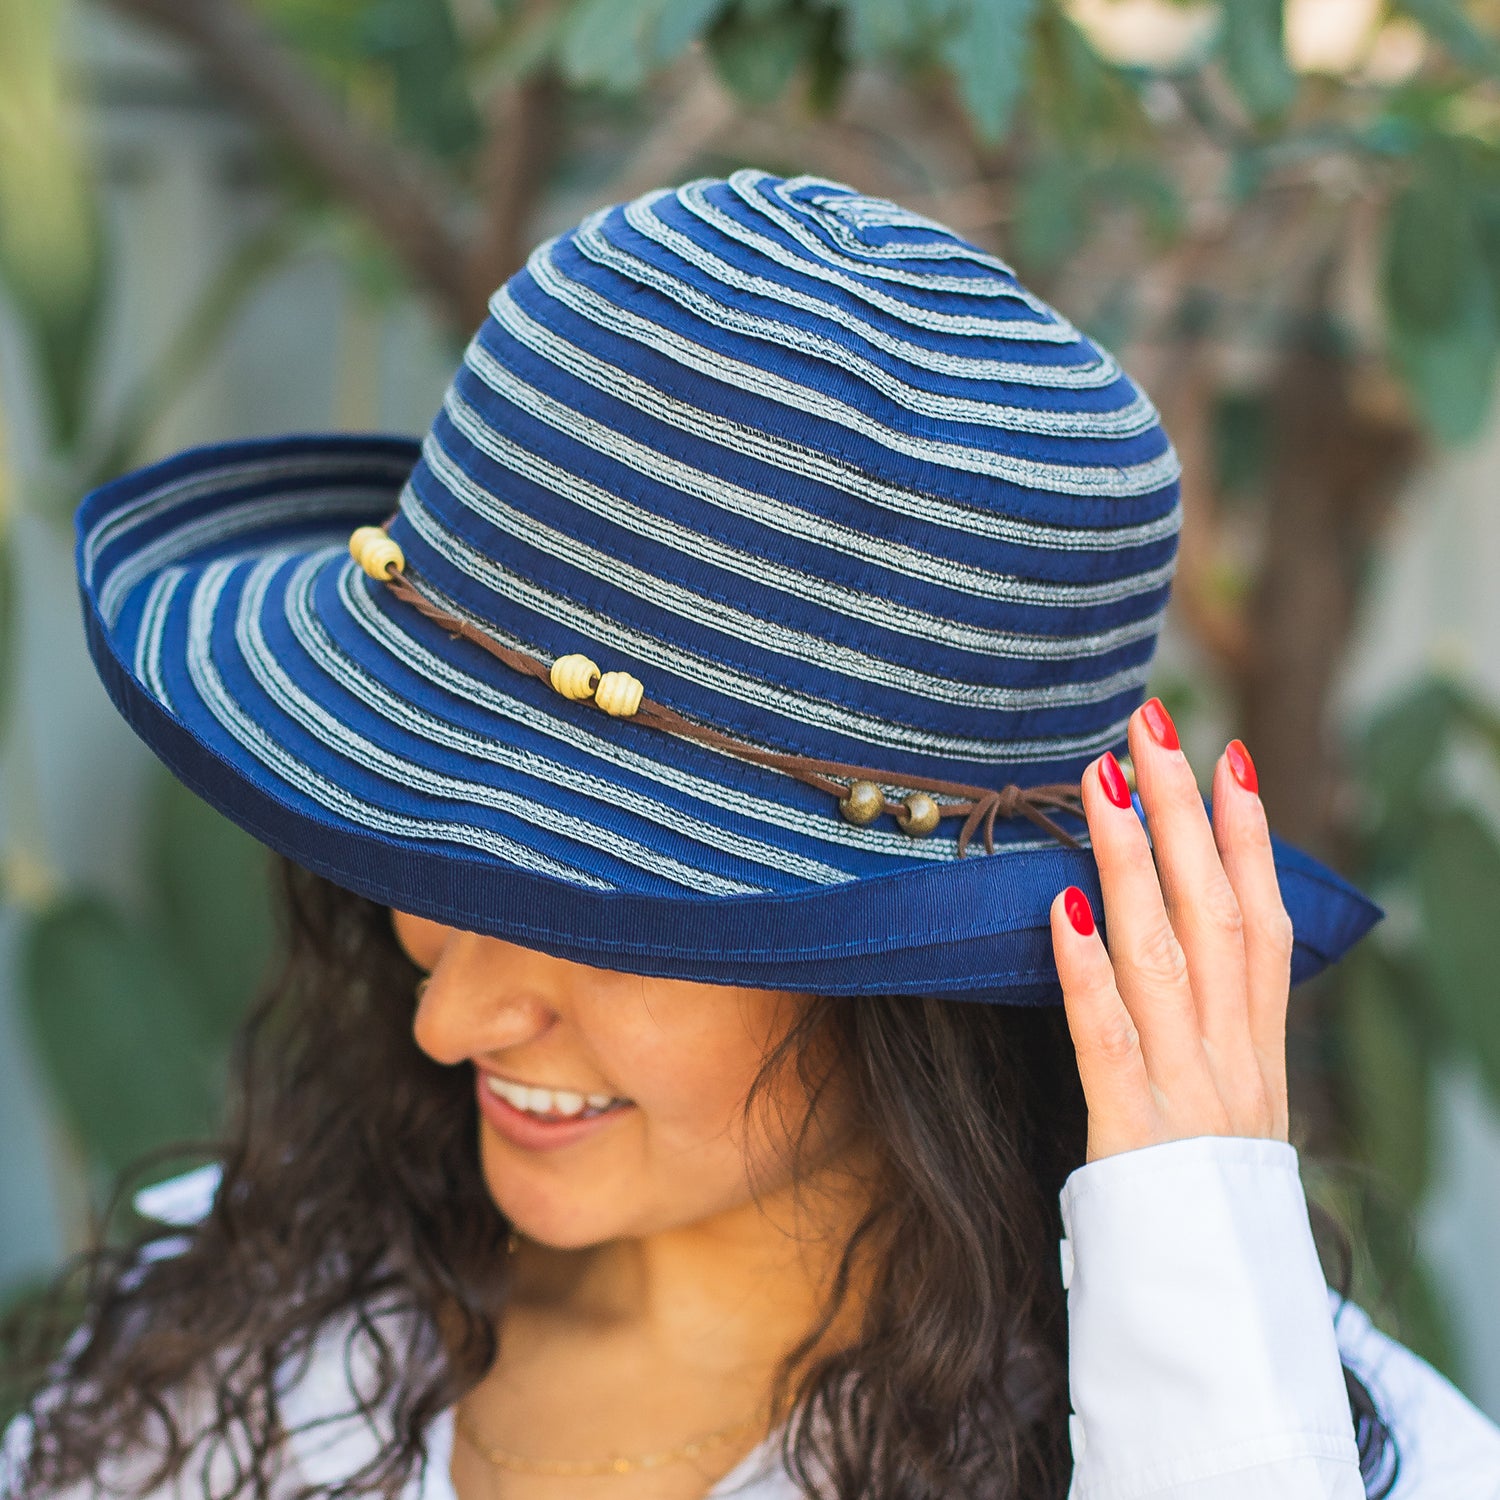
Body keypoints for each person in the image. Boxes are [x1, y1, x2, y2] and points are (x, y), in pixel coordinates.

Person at [6, 170, 1499, 1500]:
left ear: (921, 977)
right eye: (429, 865)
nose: (451, 1015)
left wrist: (1207, 1392)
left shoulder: (1319, 1449)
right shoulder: (224, 1365)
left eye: (604, 922)